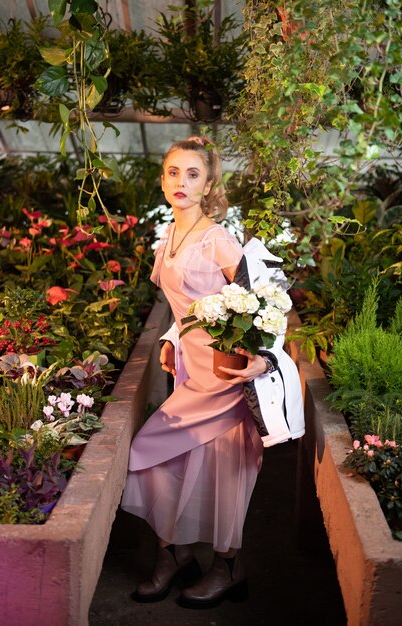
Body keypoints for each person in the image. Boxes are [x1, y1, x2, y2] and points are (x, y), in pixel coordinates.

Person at [121, 135, 304, 609]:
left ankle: (228, 567)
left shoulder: (217, 239)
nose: (181, 182)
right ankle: (174, 552)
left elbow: (268, 303)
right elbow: (188, 310)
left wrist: (263, 358)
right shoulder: (170, 236)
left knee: (224, 472)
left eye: (193, 174)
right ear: (163, 180)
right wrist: (170, 340)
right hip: (190, 376)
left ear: (208, 185)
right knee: (156, 456)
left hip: (225, 379)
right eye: (173, 172)